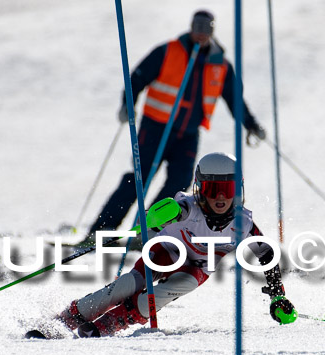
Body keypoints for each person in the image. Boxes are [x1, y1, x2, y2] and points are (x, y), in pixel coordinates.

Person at [50, 152, 296, 338]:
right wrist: (158, 217)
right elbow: (159, 214)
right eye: (212, 189)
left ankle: (103, 327)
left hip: (196, 268)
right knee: (125, 286)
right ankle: (66, 320)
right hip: (166, 252)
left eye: (227, 189)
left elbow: (267, 254)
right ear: (200, 189)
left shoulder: (242, 224)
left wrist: (277, 296)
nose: (220, 197)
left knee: (152, 300)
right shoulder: (187, 209)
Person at [83, 10, 266, 245]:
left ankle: (146, 230)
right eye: (197, 28)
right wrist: (126, 104)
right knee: (140, 179)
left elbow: (235, 100)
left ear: (211, 31)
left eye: (205, 30)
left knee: (179, 183)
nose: (200, 34)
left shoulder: (220, 65)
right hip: (156, 127)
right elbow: (137, 78)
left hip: (188, 134)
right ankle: (102, 230)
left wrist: (250, 125)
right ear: (191, 28)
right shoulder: (168, 51)